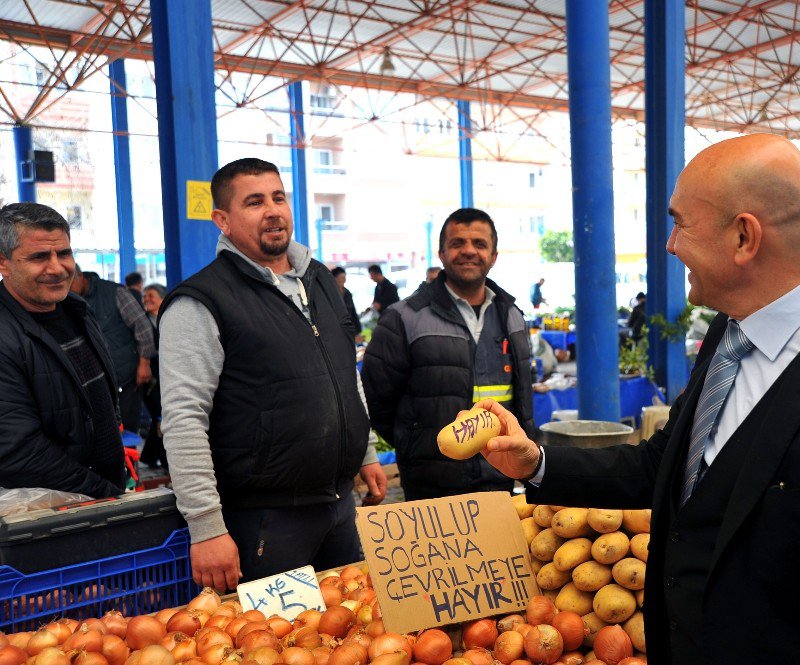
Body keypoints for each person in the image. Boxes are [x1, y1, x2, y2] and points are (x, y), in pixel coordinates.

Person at [473, 134, 800, 663]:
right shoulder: (730, 333)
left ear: (744, 237)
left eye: (680, 223)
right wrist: (535, 463)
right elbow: (667, 465)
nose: (670, 245)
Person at [158, 158, 387, 591]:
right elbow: (184, 420)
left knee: (350, 638)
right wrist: (206, 526)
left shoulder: (319, 280)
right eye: (254, 202)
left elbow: (344, 370)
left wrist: (367, 453)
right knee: (278, 645)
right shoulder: (200, 302)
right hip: (265, 520)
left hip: (339, 506)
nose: (273, 210)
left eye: (278, 197)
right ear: (222, 220)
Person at [362, 207, 535, 500]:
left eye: (479, 244)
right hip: (431, 483)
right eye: (458, 243)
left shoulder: (513, 316)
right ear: (441, 254)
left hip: (501, 474)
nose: (469, 251)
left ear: (493, 257)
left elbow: (523, 396)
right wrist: (417, 445)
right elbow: (376, 400)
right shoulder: (404, 318)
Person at [0, 202, 125, 498]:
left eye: (64, 253)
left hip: (102, 498)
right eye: (39, 257)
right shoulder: (6, 335)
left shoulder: (77, 311)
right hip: (53, 518)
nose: (57, 268)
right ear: (3, 263)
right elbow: (17, 450)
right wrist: (102, 494)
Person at [70, 266, 155, 434]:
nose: (66, 290)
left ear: (79, 276)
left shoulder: (115, 292)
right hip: (96, 381)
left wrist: (144, 363)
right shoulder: (69, 300)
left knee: (128, 431)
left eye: (69, 283)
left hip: (127, 377)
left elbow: (143, 326)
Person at [138, 283, 167, 469]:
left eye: (151, 295)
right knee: (161, 416)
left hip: (166, 376)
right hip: (151, 381)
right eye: (145, 296)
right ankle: (165, 459)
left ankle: (148, 456)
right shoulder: (142, 323)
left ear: (162, 298)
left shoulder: (169, 318)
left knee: (161, 415)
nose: (147, 299)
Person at [331, 266, 362, 336]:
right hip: (335, 329)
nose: (344, 280)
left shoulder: (347, 293)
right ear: (334, 278)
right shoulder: (330, 293)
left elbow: (353, 312)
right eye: (342, 277)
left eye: (345, 277)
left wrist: (358, 330)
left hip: (348, 327)